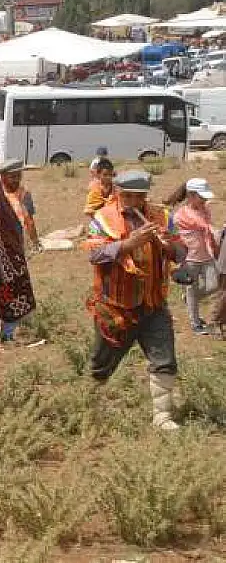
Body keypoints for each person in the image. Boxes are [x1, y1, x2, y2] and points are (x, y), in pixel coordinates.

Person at [83, 170, 186, 430]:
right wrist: (129, 243)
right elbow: (94, 254)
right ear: (117, 192)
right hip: (116, 307)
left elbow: (181, 252)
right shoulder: (102, 217)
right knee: (101, 363)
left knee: (164, 359)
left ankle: (163, 417)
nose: (130, 201)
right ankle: (86, 410)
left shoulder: (161, 216)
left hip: (153, 304)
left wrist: (167, 246)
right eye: (125, 195)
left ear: (144, 196)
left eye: (136, 197)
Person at [0, 159, 39, 343]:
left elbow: (29, 221)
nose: (16, 180)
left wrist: (35, 242)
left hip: (16, 250)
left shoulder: (25, 195)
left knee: (15, 289)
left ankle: (7, 333)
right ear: (2, 177)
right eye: (12, 176)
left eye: (18, 176)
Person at [173, 178, 219, 335]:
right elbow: (205, 226)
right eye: (202, 196)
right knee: (191, 289)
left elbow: (208, 228)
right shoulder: (181, 215)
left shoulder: (205, 209)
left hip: (207, 255)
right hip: (190, 259)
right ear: (191, 195)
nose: (205, 199)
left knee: (214, 284)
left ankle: (189, 298)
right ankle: (195, 322)